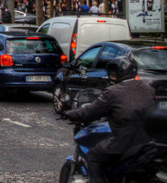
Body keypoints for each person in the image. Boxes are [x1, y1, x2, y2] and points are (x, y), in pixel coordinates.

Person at [62, 55, 156, 183]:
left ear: (117, 73)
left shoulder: (112, 92)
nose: (110, 76)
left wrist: (70, 113)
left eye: (112, 73)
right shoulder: (148, 89)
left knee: (94, 157)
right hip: (148, 141)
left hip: (125, 141)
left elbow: (90, 113)